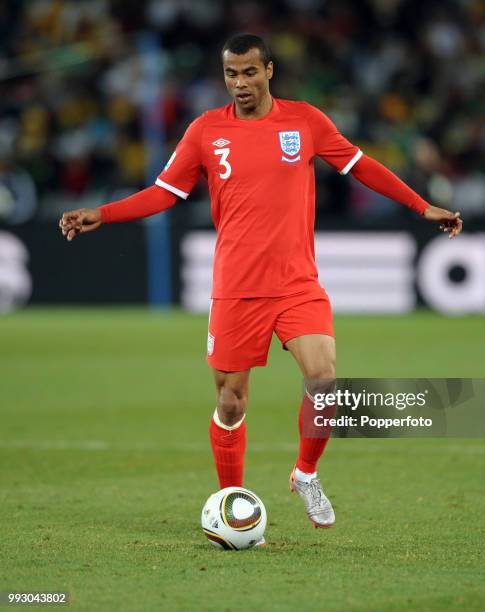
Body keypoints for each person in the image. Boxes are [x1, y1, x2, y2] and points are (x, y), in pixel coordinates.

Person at [59, 33, 463, 533]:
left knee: (323, 378)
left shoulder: (305, 121)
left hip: (296, 283)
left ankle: (306, 473)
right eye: (231, 74)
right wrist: (104, 212)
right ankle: (230, 499)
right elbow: (164, 193)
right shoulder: (205, 131)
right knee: (231, 402)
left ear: (269, 70)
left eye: (249, 72)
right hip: (236, 287)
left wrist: (421, 205)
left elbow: (362, 166)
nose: (240, 83)